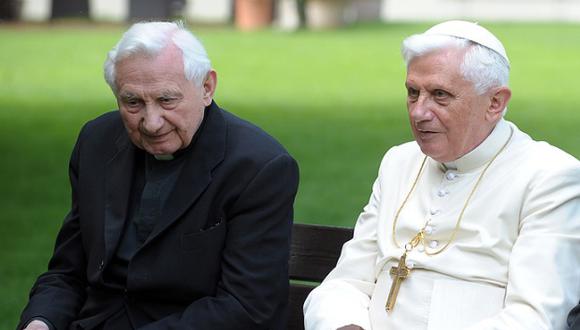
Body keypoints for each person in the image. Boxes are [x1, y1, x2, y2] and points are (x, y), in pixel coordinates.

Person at [17, 21, 299, 330]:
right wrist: (40, 322)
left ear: (206, 88)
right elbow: (67, 272)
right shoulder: (96, 142)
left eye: (167, 100)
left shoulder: (258, 166)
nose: (151, 123)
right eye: (133, 102)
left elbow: (248, 308)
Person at [303, 20, 580, 330]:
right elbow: (346, 283)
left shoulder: (549, 177)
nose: (419, 112)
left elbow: (534, 319)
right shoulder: (399, 163)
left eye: (440, 95)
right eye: (412, 92)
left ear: (495, 103)